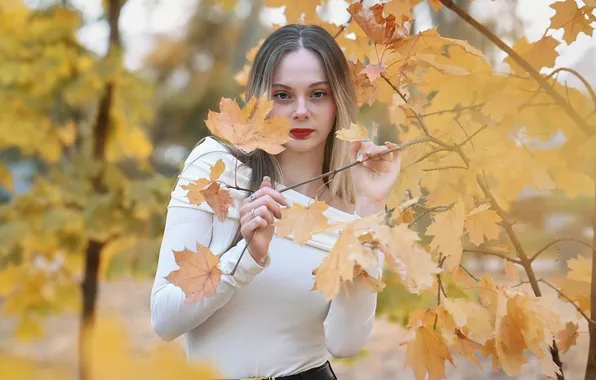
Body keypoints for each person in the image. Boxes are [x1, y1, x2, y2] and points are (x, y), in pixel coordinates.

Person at [150, 24, 402, 380]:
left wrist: (371, 209)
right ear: (261, 100)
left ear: (337, 102)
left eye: (318, 94)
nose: (301, 111)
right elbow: (164, 319)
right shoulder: (218, 173)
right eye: (283, 95)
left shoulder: (351, 214)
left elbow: (346, 342)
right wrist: (246, 257)